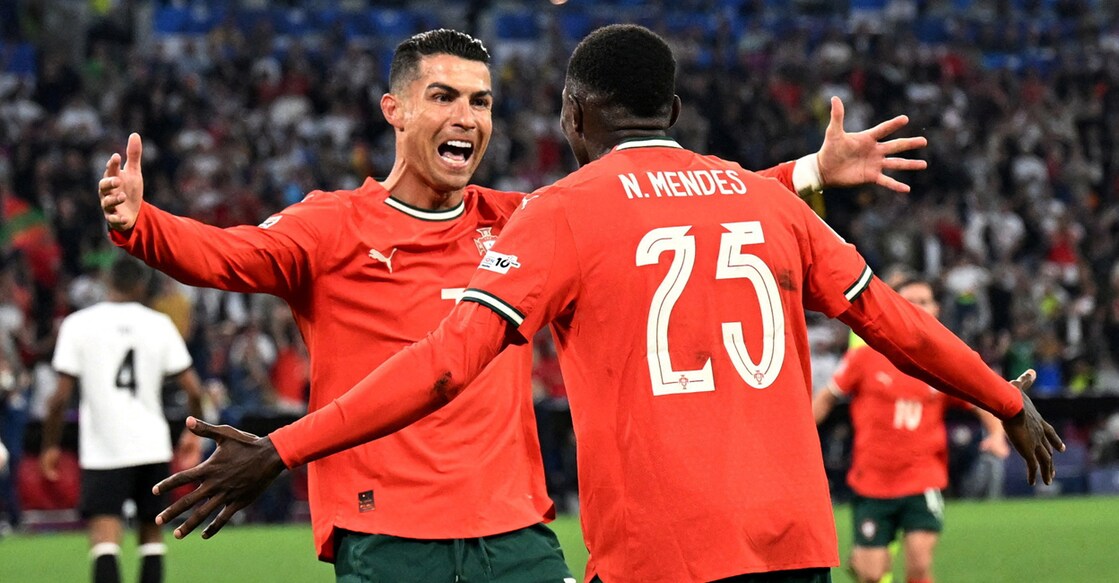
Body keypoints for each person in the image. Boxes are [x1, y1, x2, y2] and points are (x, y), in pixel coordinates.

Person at [151, 24, 1063, 583]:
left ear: (570, 113)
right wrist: (1005, 397)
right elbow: (896, 324)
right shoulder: (766, 203)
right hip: (791, 543)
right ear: (670, 106)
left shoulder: (560, 215)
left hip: (655, 553)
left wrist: (281, 447)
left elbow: (439, 363)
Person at [812, 277, 1011, 583]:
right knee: (871, 575)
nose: (917, 308)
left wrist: (996, 435)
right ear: (894, 307)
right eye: (909, 302)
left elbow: (980, 399)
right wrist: (801, 439)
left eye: (924, 302)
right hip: (872, 482)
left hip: (922, 479)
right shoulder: (864, 357)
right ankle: (863, 559)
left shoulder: (943, 363)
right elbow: (826, 398)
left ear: (936, 308)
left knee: (918, 565)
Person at [42, 255, 203, 583]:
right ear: (141, 285)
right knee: (152, 540)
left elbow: (59, 397)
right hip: (152, 446)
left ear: (106, 282)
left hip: (104, 448)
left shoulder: (79, 324)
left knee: (104, 541)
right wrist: (194, 433)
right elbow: (194, 389)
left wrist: (50, 445)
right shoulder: (158, 324)